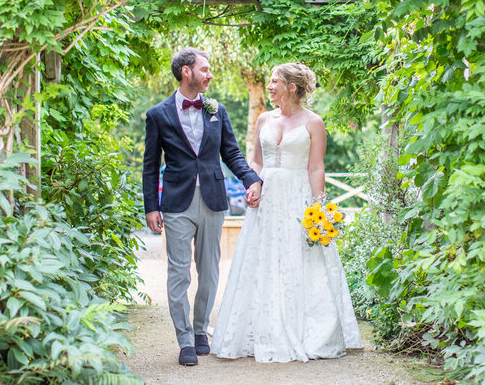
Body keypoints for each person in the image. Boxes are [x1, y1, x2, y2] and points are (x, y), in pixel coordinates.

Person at [211, 62, 363, 362]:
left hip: (298, 199)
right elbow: (255, 161)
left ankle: (310, 332)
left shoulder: (313, 122)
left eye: (274, 81)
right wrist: (252, 184)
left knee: (301, 260)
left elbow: (316, 166)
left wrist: (319, 208)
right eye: (269, 81)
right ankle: (259, 330)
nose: (269, 86)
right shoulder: (264, 119)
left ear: (291, 87)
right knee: (262, 259)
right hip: (266, 201)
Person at [142, 47, 262, 367]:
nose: (210, 75)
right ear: (186, 72)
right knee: (178, 273)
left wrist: (252, 179)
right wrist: (150, 207)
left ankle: (200, 330)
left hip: (212, 199)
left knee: (209, 270)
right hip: (176, 203)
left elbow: (232, 154)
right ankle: (184, 340)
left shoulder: (216, 110)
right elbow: (150, 166)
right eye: (205, 69)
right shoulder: (158, 114)